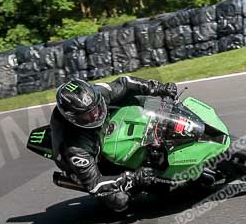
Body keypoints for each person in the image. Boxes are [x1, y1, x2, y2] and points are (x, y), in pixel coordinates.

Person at [50, 77, 178, 212]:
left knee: (141, 98)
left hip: (99, 127)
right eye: (87, 114)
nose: (95, 114)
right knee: (120, 201)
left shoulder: (98, 94)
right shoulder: (75, 147)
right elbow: (94, 184)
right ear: (74, 118)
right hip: (87, 160)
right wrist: (131, 178)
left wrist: (158, 88)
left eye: (95, 107)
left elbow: (125, 83)